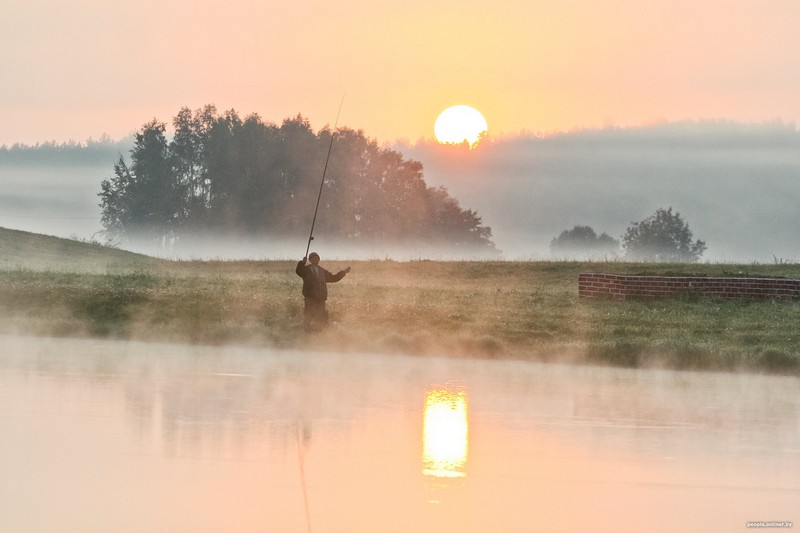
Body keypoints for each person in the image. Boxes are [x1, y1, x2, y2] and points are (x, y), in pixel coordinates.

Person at [295, 252, 351, 332]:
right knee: (308, 316)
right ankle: (307, 333)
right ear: (310, 260)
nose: (316, 259)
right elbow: (298, 271)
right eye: (314, 258)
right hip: (310, 298)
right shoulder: (306, 270)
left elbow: (333, 278)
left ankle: (320, 334)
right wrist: (302, 262)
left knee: (321, 317)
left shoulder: (322, 271)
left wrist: (343, 272)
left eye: (317, 258)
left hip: (321, 298)